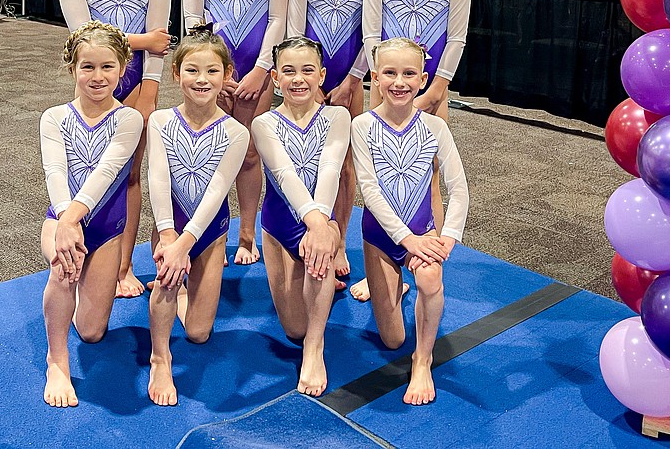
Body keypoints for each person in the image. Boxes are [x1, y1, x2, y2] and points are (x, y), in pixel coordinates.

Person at [352, 0, 471, 303]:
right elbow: (370, 35)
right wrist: (384, 88)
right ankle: (381, 263)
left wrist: (435, 89)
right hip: (384, 87)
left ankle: (430, 250)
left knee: (429, 175)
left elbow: (455, 38)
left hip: (432, 87)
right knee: (379, 175)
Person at [58, 0, 172, 298]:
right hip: (93, 84)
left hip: (138, 85)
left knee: (128, 177)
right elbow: (84, 36)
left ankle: (122, 265)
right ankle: (83, 255)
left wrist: (150, 90)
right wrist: (143, 40)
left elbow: (161, 35)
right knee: (86, 172)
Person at [352, 37, 469, 405]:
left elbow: (458, 188)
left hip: (422, 232)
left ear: (422, 79)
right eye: (390, 73)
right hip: (381, 237)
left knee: (431, 278)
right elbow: (369, 191)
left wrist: (447, 238)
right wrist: (408, 241)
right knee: (391, 340)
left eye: (408, 73)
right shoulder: (363, 126)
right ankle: (393, 285)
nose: (399, 82)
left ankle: (423, 359)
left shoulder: (434, 128)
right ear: (375, 76)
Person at [183, 0, 290, 266]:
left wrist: (262, 70)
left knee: (247, 155)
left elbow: (277, 19)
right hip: (211, 74)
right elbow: (193, 15)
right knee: (207, 155)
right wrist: (217, 72)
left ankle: (247, 234)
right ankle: (211, 235)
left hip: (256, 72)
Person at [39, 22, 144, 408]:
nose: (97, 76)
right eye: (87, 66)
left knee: (92, 332)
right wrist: (66, 224)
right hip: (61, 218)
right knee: (63, 266)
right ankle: (57, 360)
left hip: (105, 228)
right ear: (72, 69)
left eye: (107, 67)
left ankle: (73, 298)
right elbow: (56, 172)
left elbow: (106, 173)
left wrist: (75, 223)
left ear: (122, 69)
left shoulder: (129, 120)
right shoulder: (53, 118)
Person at [146, 28, 249, 406]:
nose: (201, 80)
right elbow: (157, 178)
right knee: (168, 278)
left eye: (211, 71)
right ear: (176, 74)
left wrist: (186, 243)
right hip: (168, 227)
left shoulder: (236, 132)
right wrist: (169, 237)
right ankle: (160, 357)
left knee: (198, 333)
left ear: (226, 75)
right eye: (192, 70)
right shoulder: (159, 121)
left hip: (209, 232)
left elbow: (216, 192)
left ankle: (186, 283)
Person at [253, 36, 349, 396]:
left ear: (321, 75)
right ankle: (317, 296)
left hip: (322, 224)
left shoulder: (337, 116)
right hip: (280, 226)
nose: (298, 79)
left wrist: (322, 227)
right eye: (288, 71)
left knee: (319, 257)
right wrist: (317, 224)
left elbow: (329, 170)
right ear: (275, 77)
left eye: (307, 70)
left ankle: (315, 348)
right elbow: (285, 176)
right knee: (294, 328)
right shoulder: (264, 124)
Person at [287, 0, 367, 289]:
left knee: (346, 165)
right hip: (307, 84)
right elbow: (296, 33)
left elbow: (372, 35)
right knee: (305, 162)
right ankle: (306, 232)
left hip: (351, 81)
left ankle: (336, 241)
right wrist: (311, 84)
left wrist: (352, 81)